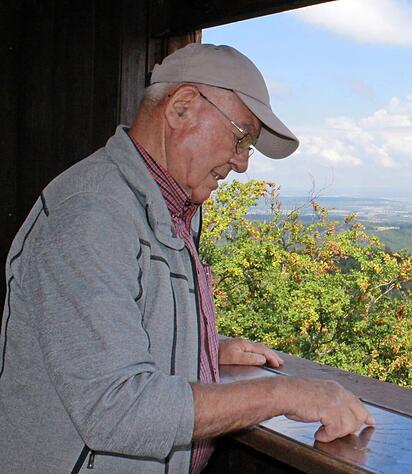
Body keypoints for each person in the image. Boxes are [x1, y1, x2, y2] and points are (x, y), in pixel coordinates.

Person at [0, 43, 373, 473]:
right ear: (181, 109)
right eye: (241, 138)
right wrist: (287, 395)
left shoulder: (163, 207)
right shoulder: (91, 212)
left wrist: (201, 351)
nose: (241, 164)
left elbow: (108, 334)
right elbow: (117, 409)